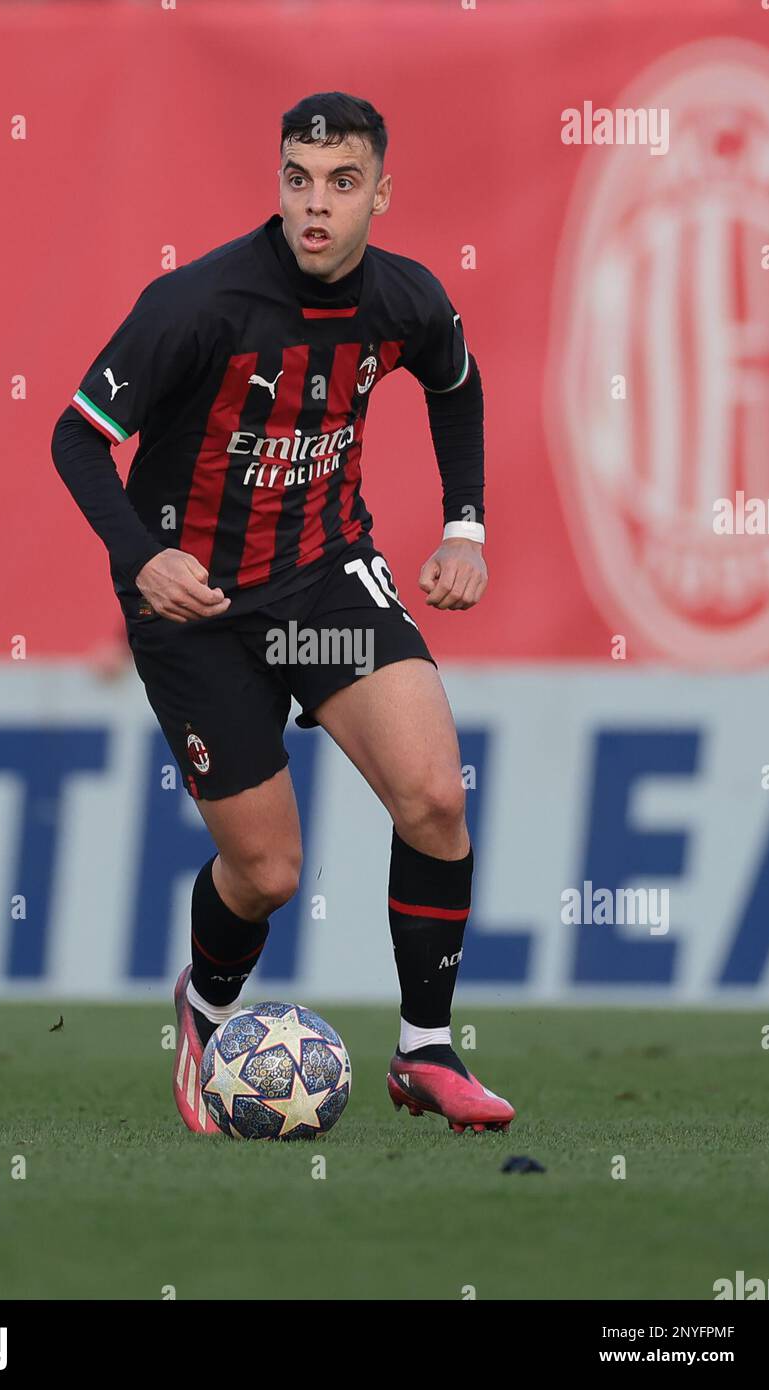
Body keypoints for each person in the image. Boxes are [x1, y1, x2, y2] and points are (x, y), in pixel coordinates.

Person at [51, 91, 514, 1136]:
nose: (317, 206)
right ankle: (207, 1009)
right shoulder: (195, 304)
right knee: (267, 871)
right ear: (279, 184)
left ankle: (426, 1050)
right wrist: (142, 558)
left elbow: (457, 380)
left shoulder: (403, 299)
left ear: (379, 194)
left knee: (435, 795)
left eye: (342, 184)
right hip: (198, 608)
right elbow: (78, 436)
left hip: (323, 581)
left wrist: (466, 528)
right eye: (299, 181)